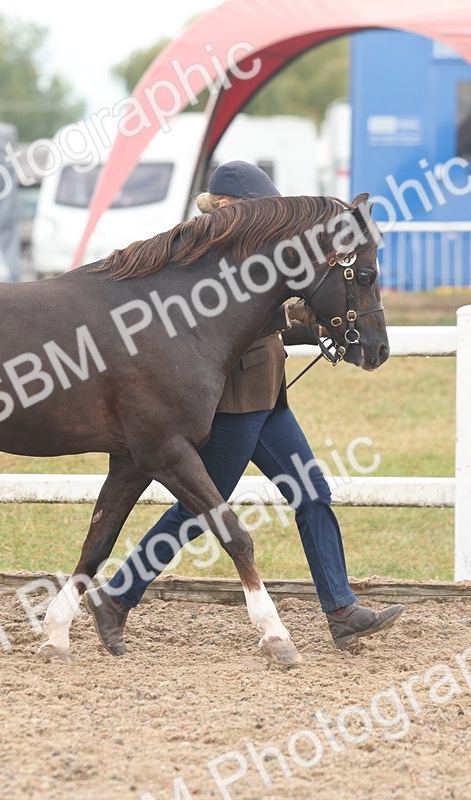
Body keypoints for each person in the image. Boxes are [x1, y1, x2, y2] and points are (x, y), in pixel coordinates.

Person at [84, 161, 403, 655]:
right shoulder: (208, 254)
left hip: (268, 396)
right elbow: (230, 323)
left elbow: (270, 314)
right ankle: (118, 596)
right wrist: (292, 318)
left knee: (311, 491)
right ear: (230, 206)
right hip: (232, 403)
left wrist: (315, 324)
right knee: (201, 510)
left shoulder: (252, 247)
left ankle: (341, 611)